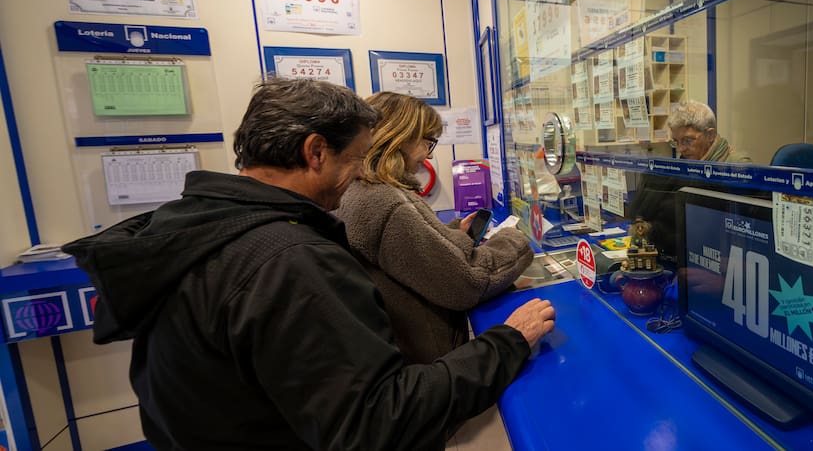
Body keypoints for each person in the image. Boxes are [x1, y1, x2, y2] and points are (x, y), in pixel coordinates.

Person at [62, 78, 555, 450]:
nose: (364, 173)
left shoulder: (191, 225)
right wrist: (506, 342)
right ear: (315, 151)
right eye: (358, 158)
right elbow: (377, 421)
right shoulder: (290, 259)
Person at [334, 92, 534, 364]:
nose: (428, 154)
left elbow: (413, 249)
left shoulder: (365, 190)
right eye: (428, 142)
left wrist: (452, 233)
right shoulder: (383, 200)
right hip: (426, 362)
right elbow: (467, 283)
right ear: (401, 138)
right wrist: (515, 241)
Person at [625, 100, 752, 262]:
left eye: (687, 140)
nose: (681, 149)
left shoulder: (737, 168)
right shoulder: (688, 165)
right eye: (676, 142)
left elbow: (743, 233)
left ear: (710, 135)